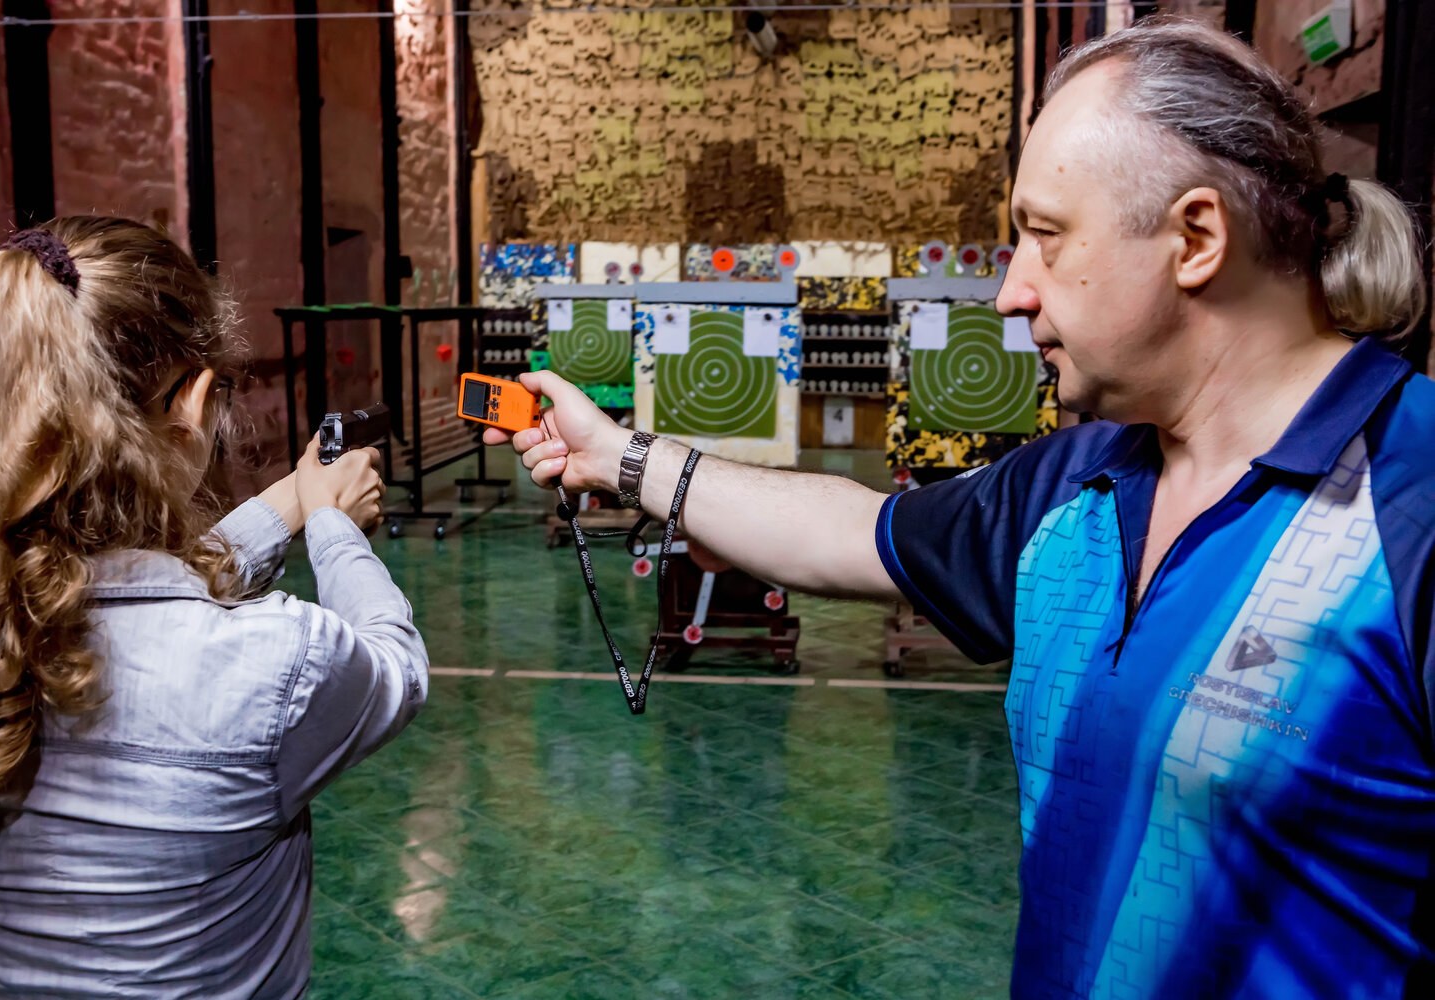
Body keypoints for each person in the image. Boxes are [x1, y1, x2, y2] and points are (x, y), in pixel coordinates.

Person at [491, 17, 1434, 999]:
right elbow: (849, 533)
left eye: (1046, 235)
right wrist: (620, 457)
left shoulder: (1411, 513)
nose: (1010, 292)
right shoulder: (1073, 485)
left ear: (1195, 238)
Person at [0, 216, 428, 997]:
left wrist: (294, 501)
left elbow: (134, 594)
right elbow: (395, 667)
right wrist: (332, 525)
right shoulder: (278, 664)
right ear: (192, 402)